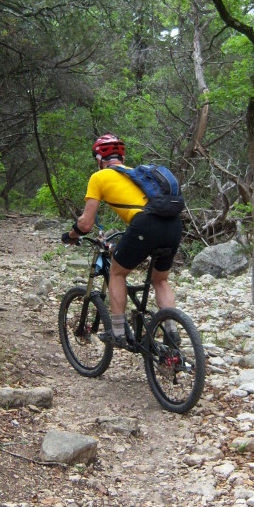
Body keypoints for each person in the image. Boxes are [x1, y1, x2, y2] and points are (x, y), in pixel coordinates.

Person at [63, 133, 182, 347]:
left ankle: (117, 332)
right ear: (122, 159)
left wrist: (71, 236)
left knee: (117, 272)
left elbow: (86, 224)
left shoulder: (98, 177)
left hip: (145, 224)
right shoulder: (136, 174)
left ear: (99, 160)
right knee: (160, 280)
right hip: (173, 224)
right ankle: (172, 331)